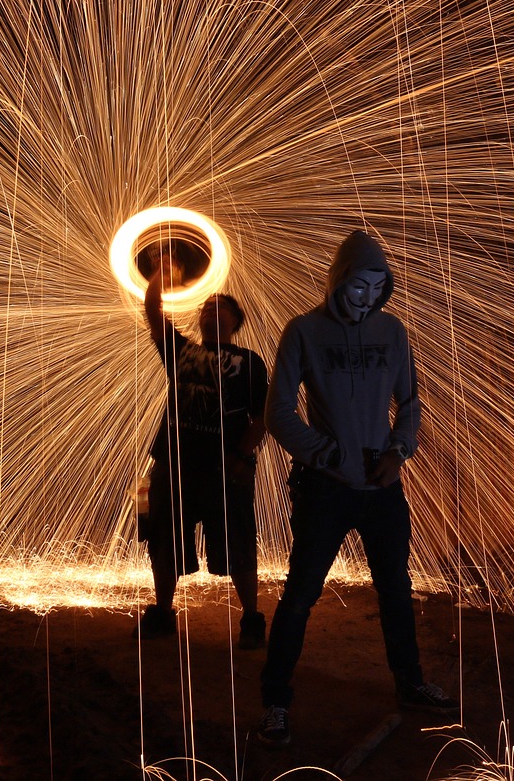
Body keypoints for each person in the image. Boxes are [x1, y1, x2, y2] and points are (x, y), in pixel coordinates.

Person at [255, 229, 457, 747]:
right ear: (337, 281)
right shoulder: (302, 332)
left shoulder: (393, 333)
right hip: (325, 489)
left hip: (381, 487)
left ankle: (410, 683)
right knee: (301, 595)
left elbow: (410, 402)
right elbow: (277, 413)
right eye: (357, 287)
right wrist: (325, 455)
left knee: (396, 589)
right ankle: (275, 701)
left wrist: (399, 452)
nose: (366, 298)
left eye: (377, 287)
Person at [136, 244, 270, 650]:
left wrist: (243, 458)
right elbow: (154, 314)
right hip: (172, 466)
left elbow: (262, 416)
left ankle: (252, 618)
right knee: (163, 541)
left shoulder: (249, 362)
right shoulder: (183, 351)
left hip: (223, 471)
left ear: (235, 320)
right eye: (206, 306)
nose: (211, 310)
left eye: (220, 307)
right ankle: (162, 613)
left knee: (239, 544)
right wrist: (162, 270)